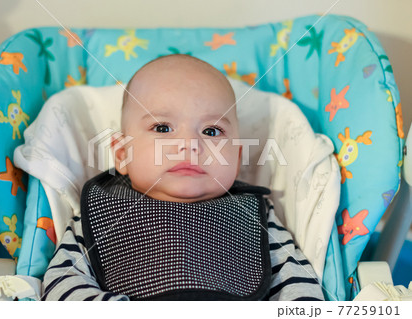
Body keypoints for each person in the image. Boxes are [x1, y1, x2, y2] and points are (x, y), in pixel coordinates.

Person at [41, 54, 324, 301]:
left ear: (236, 160)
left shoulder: (252, 215)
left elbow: (298, 286)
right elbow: (61, 286)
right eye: (162, 128)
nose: (189, 144)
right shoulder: (105, 208)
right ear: (122, 154)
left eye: (211, 131)